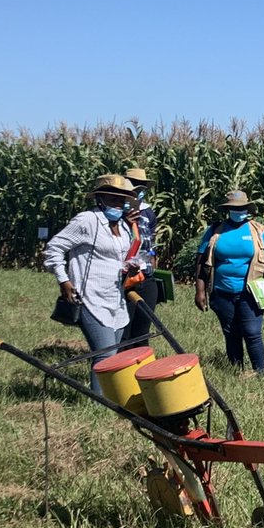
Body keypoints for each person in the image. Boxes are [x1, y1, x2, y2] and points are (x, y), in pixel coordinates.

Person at [43, 174, 137, 394]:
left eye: (122, 200)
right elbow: (53, 249)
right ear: (100, 198)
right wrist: (64, 280)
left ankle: (111, 397)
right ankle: (100, 403)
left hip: (115, 297)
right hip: (89, 297)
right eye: (113, 199)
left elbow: (118, 258)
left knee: (113, 354)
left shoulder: (122, 226)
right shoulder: (86, 221)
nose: (118, 204)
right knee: (104, 355)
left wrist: (129, 267)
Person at [193, 190, 264, 377]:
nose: (238, 211)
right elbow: (201, 261)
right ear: (228, 209)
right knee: (231, 332)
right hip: (222, 291)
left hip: (251, 292)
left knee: (252, 332)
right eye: (234, 208)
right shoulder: (215, 231)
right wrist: (200, 290)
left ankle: (260, 372)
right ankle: (236, 370)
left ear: (247, 209)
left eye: (241, 208)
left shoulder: (258, 230)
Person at [121, 167, 159, 346]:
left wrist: (152, 260)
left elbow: (150, 240)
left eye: (142, 186)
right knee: (124, 330)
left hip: (146, 274)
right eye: (135, 185)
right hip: (125, 277)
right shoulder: (115, 212)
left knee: (143, 329)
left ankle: (140, 367)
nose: (138, 190)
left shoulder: (148, 212)